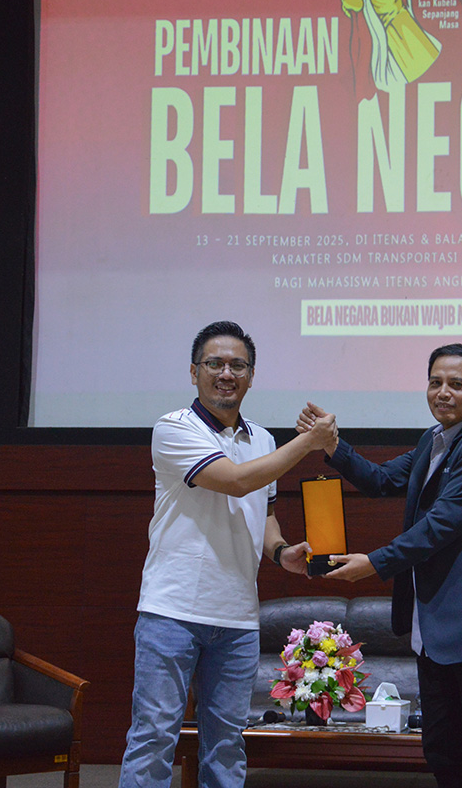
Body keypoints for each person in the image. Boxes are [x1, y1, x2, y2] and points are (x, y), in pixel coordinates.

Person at [118, 320, 337, 788]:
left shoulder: (263, 441)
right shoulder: (173, 428)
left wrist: (281, 552)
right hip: (172, 611)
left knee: (226, 746)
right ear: (193, 371)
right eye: (214, 363)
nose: (226, 374)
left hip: (237, 618)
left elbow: (263, 513)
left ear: (251, 377)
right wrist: (310, 441)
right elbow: (236, 482)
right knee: (154, 738)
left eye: (238, 366)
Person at [298, 343, 462, 788]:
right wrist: (332, 445)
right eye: (435, 382)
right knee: (441, 749)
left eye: (456, 384)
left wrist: (374, 563)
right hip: (434, 626)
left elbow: (441, 525)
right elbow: (381, 480)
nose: (443, 392)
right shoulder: (433, 440)